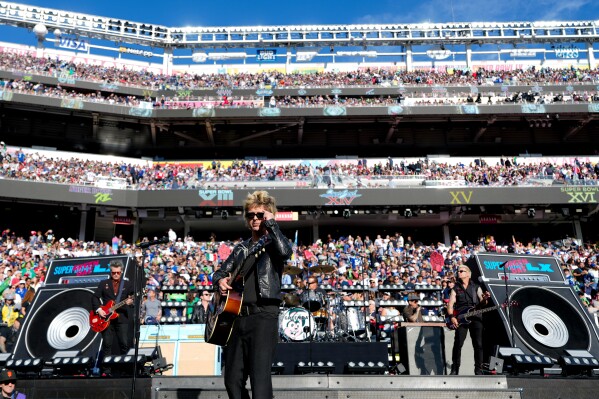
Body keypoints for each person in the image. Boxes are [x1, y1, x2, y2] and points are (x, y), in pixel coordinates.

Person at [213, 190, 292, 399]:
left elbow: (286, 252)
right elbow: (220, 272)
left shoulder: (275, 243)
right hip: (236, 317)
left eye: (260, 215)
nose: (255, 219)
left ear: (268, 216)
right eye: (251, 215)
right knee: (231, 379)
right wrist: (220, 280)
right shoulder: (241, 248)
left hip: (264, 315)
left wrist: (272, 224)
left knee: (260, 379)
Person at [91, 260, 134, 376]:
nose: (115, 274)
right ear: (110, 272)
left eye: (118, 273)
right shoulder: (103, 283)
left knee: (124, 344)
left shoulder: (127, 284)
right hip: (106, 319)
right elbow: (95, 297)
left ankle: (125, 370)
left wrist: (131, 302)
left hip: (121, 318)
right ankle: (106, 371)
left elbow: (133, 298)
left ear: (121, 272)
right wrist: (99, 309)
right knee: (107, 345)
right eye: (113, 272)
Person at [447, 265, 490, 375]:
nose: (459, 273)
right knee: (458, 343)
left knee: (478, 344)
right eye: (458, 271)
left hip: (476, 317)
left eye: (462, 271)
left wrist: (485, 299)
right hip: (461, 317)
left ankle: (478, 369)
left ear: (468, 274)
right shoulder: (455, 288)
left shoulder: (476, 287)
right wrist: (452, 317)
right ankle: (455, 368)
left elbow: (482, 303)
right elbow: (450, 304)